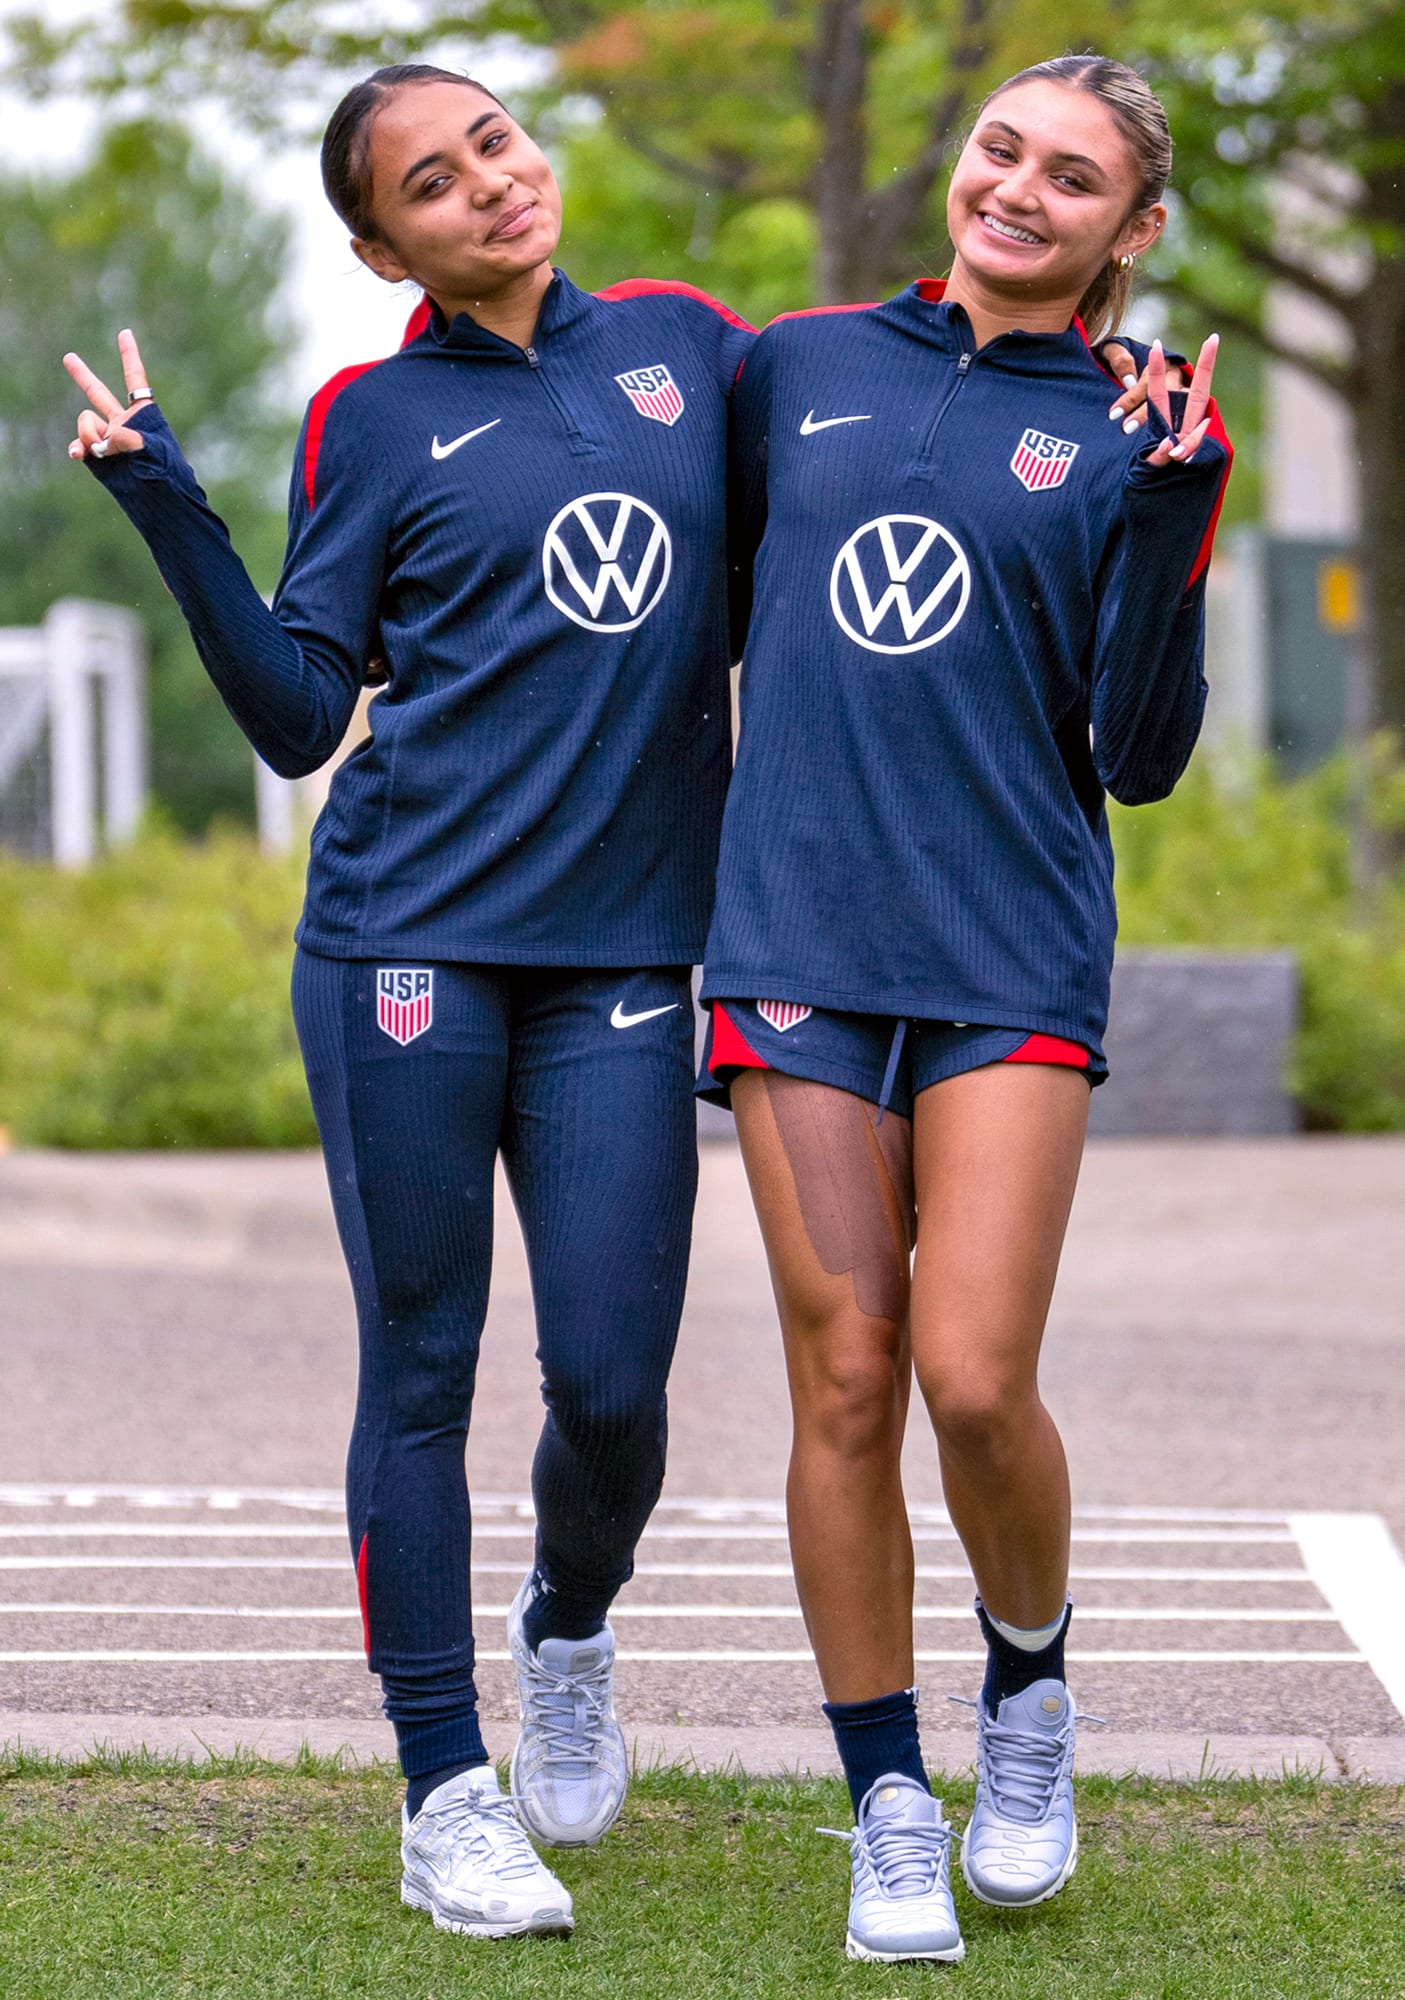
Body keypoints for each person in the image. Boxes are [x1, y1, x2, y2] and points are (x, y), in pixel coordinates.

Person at [62, 63, 755, 1941]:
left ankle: (571, 1625)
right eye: (432, 186)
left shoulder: (697, 355)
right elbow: (302, 713)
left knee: (612, 1389)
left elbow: (861, 465)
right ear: (387, 248)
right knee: (425, 1375)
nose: (487, 188)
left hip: (621, 954)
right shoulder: (368, 419)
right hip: (405, 942)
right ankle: (444, 1788)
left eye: (496, 146)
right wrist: (164, 504)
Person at [698, 53, 1231, 1965]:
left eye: (1070, 176)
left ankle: (1028, 1695)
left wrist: (1170, 517)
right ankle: (885, 1803)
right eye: (999, 148)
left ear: (1131, 230)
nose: (1015, 188)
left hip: (1006, 949)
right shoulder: (796, 364)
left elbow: (1142, 752)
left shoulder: (1138, 429)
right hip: (793, 950)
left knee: (970, 1376)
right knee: (842, 1376)